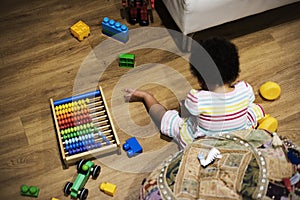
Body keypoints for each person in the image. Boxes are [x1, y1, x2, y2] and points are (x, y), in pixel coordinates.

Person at [124, 37, 265, 149]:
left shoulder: (197, 98)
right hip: (238, 138)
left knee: (170, 120)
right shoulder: (245, 89)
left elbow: (188, 111)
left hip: (204, 145)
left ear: (200, 79)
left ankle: (146, 96)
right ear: (235, 74)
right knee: (252, 109)